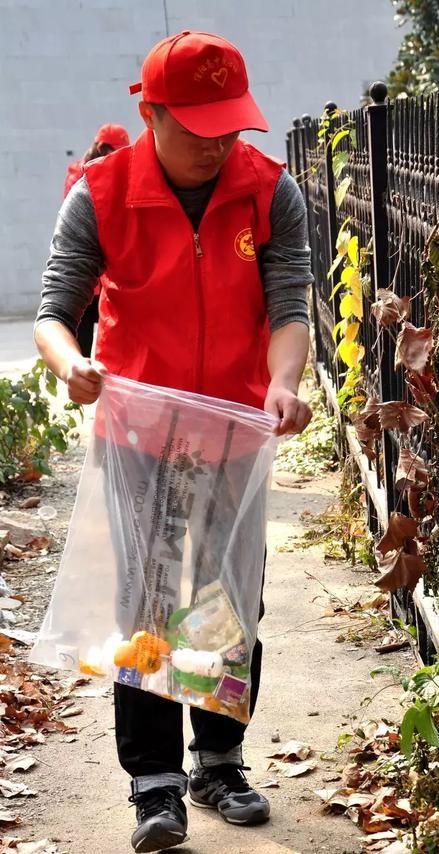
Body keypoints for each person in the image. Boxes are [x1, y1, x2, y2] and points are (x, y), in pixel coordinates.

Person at [34, 31, 312, 853]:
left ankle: (219, 761)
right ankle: (154, 785)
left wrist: (285, 383)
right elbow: (56, 307)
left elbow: (290, 301)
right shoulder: (100, 191)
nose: (217, 144)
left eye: (229, 126)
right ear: (149, 111)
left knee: (228, 594)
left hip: (235, 426)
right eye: (196, 128)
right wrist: (71, 363)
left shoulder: (269, 192)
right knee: (148, 599)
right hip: (140, 427)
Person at [62, 124, 130, 358]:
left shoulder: (118, 175)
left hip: (108, 271)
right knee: (81, 346)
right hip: (89, 271)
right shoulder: (79, 179)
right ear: (102, 147)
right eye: (114, 150)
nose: (118, 156)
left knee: (109, 341)